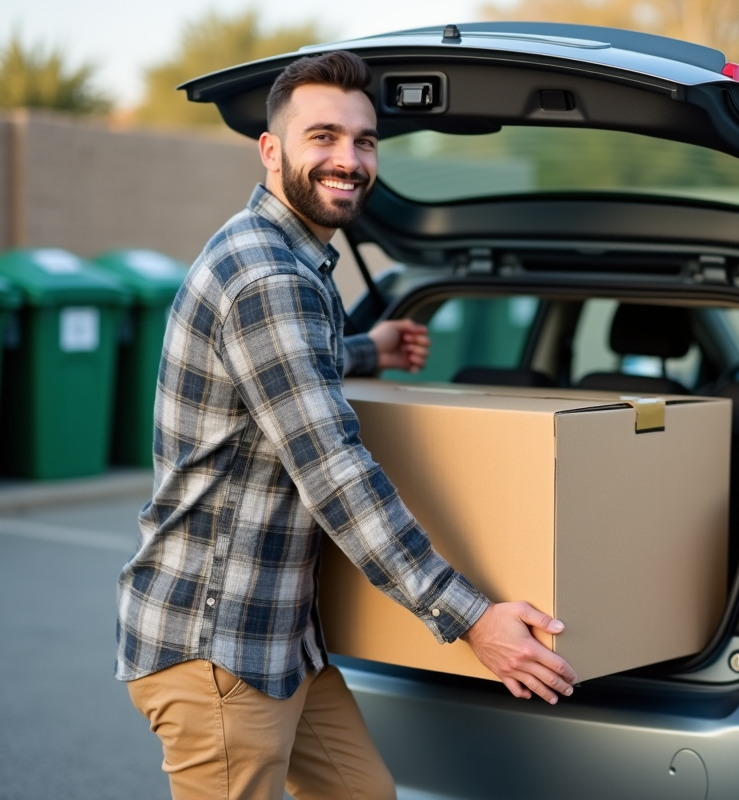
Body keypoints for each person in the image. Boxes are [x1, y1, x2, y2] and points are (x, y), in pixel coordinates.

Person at [115, 50, 577, 800]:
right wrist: (472, 619)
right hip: (219, 645)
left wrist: (369, 347)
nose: (349, 158)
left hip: (282, 637)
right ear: (272, 150)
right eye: (323, 136)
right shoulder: (269, 277)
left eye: (363, 141)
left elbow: (277, 373)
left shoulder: (290, 264)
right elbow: (334, 469)